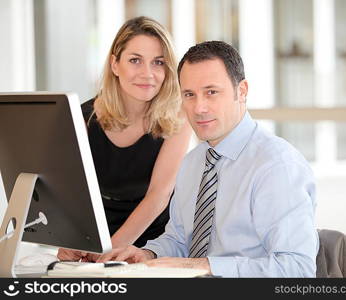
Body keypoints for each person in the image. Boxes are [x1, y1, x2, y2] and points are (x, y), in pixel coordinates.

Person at [97, 41, 318, 277]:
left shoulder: (276, 167)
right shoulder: (193, 163)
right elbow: (179, 240)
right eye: (189, 95)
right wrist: (149, 254)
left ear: (241, 91)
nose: (199, 107)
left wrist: (204, 265)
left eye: (211, 92)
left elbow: (297, 269)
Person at [57, 17, 191, 261]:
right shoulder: (82, 118)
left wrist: (110, 250)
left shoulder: (178, 117)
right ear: (115, 64)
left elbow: (159, 195)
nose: (148, 73)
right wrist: (72, 241)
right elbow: (71, 194)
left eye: (158, 62)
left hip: (155, 241)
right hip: (98, 234)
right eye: (135, 60)